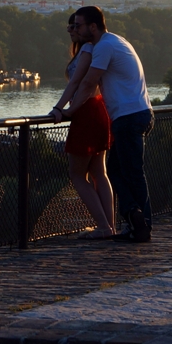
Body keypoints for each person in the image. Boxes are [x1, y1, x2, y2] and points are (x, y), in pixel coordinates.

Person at [66, 6, 154, 242]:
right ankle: (134, 220)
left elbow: (87, 84)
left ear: (92, 27)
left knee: (131, 173)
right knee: (116, 171)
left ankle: (141, 223)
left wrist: (66, 111)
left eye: (80, 25)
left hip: (128, 116)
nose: (76, 29)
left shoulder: (103, 47)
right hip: (136, 113)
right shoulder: (117, 41)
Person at [50, 14, 114, 239]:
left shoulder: (87, 49)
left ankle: (104, 227)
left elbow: (79, 83)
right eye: (69, 26)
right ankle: (109, 227)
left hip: (86, 111)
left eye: (75, 25)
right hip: (98, 109)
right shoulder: (90, 48)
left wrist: (60, 109)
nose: (70, 30)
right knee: (99, 173)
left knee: (77, 175)